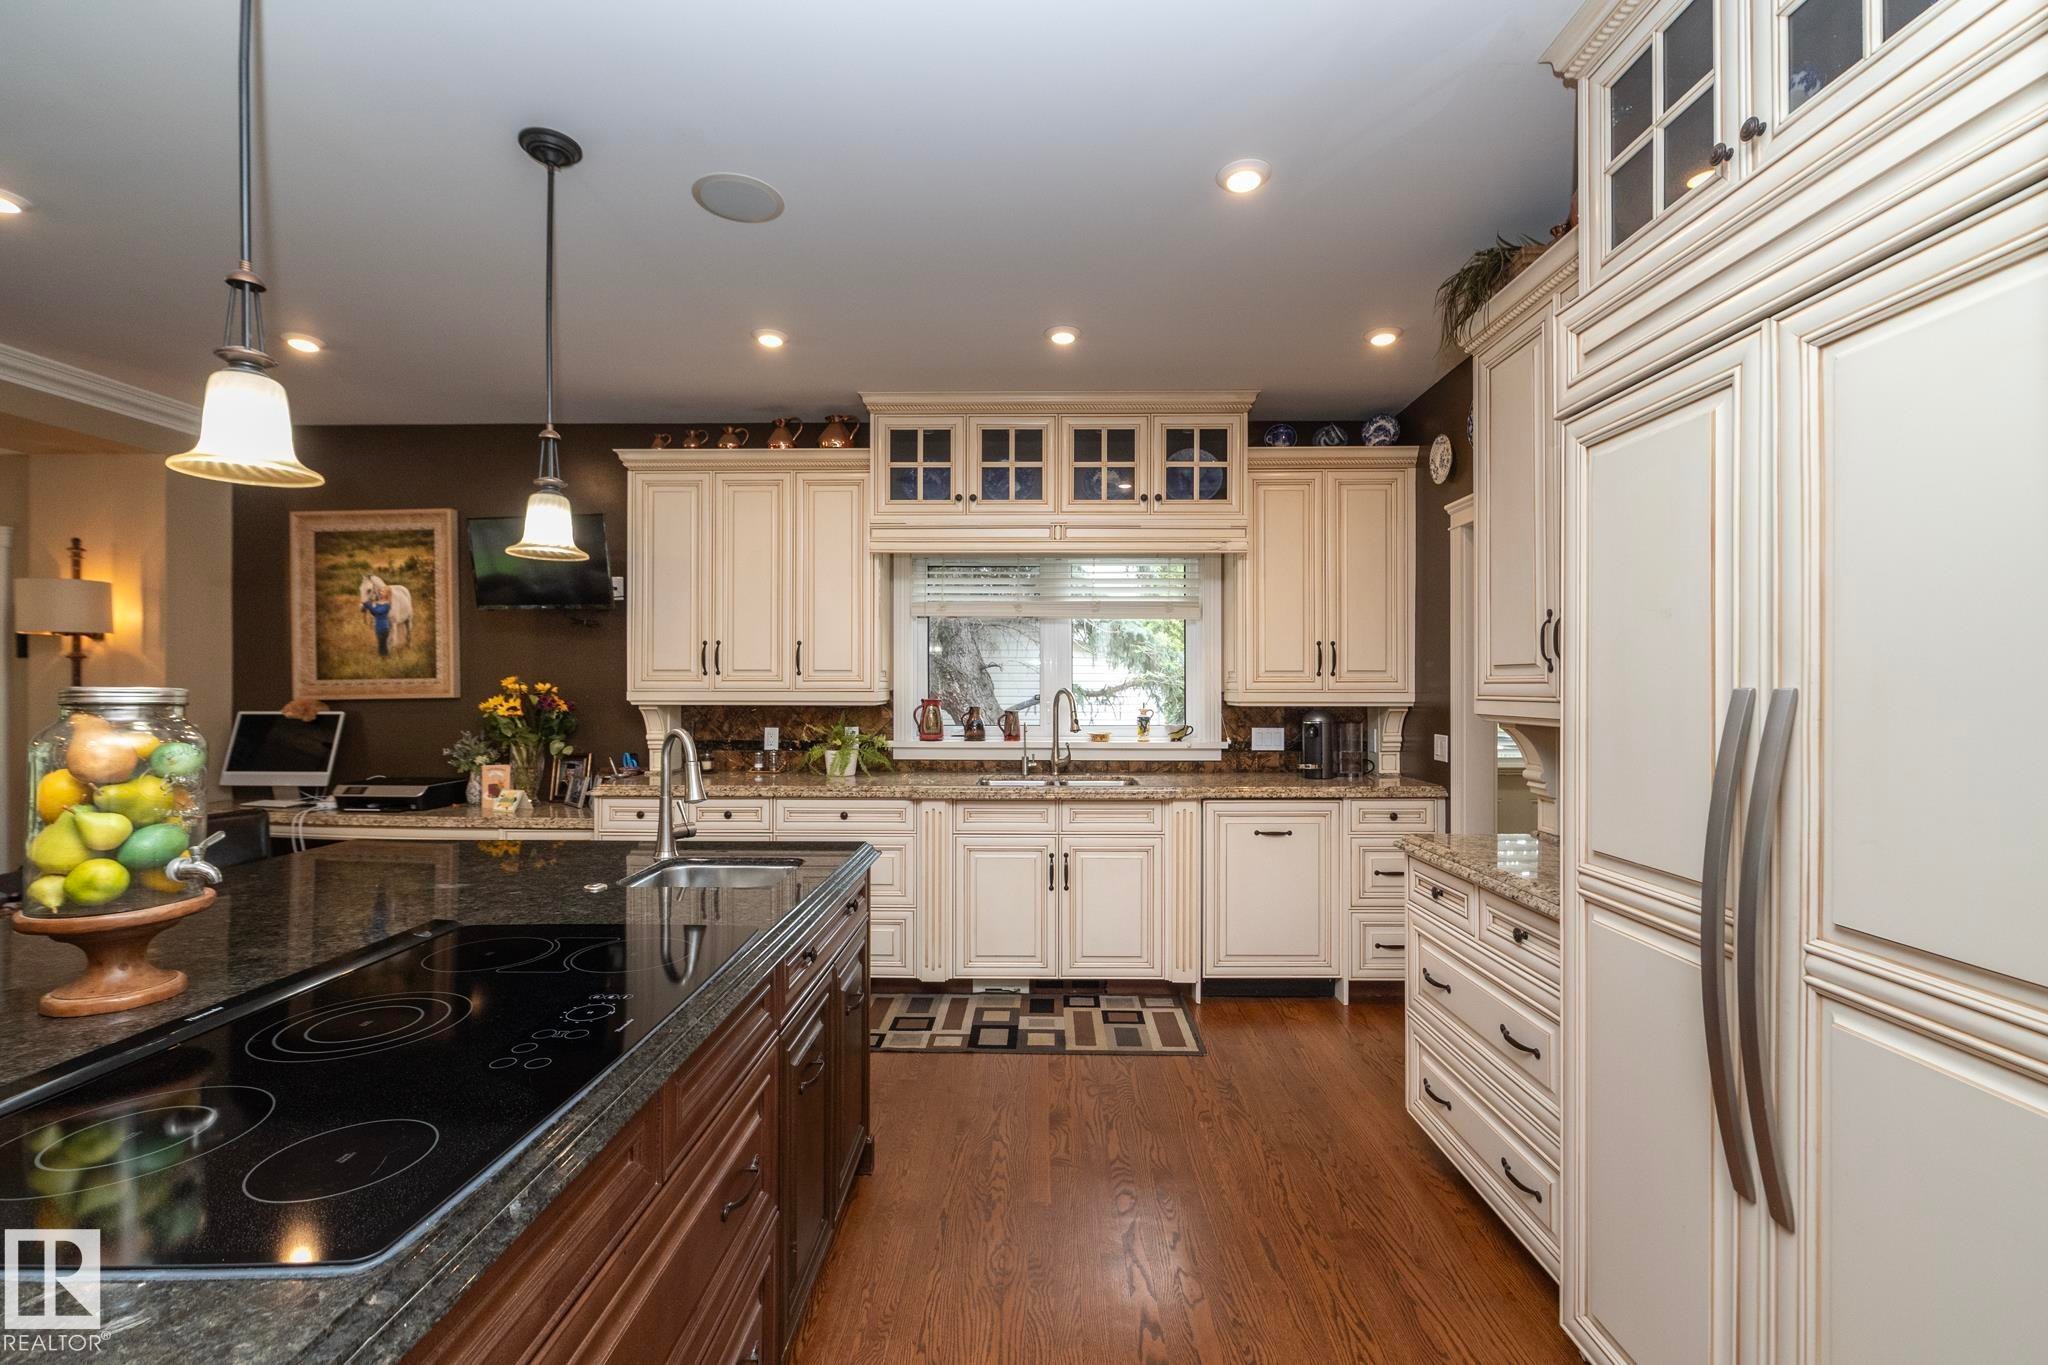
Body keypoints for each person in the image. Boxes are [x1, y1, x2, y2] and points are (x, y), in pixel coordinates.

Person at [363, 585, 394, 657]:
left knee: (383, 645)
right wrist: (366, 606)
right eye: (381, 591)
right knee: (380, 645)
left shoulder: (387, 604)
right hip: (377, 627)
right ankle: (383, 659)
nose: (380, 592)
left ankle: (385, 659)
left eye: (383, 591)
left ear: (387, 594)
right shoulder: (379, 602)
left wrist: (368, 604)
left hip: (384, 628)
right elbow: (374, 613)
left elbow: (377, 611)